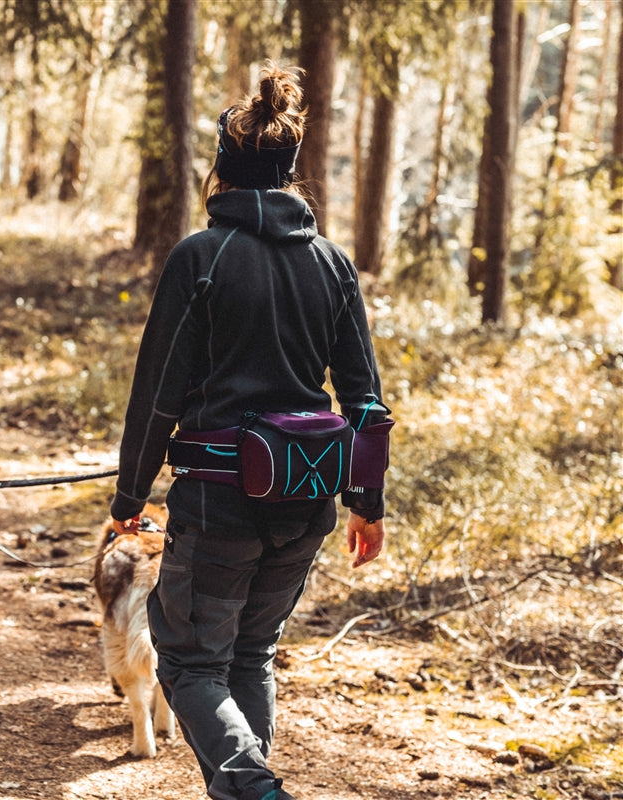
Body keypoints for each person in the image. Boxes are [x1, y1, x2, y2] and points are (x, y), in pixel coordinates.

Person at [109, 62, 389, 800]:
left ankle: (255, 791)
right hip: (306, 504)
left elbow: (156, 392)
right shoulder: (331, 263)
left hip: (217, 505)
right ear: (290, 176)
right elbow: (364, 399)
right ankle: (250, 788)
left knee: (192, 664)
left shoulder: (200, 258)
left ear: (222, 174)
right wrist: (369, 502)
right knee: (250, 657)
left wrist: (127, 497)